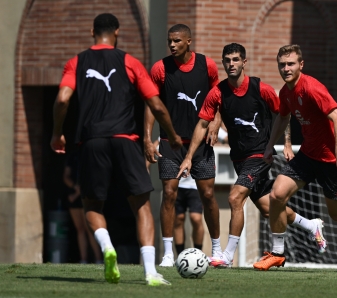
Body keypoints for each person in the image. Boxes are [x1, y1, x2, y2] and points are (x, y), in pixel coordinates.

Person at [50, 13, 181, 286]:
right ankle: (150, 273)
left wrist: (57, 133)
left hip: (92, 141)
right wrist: (172, 135)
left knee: (92, 204)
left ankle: (107, 247)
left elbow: (62, 99)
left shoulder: (76, 62)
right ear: (117, 32)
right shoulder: (129, 61)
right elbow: (156, 105)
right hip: (126, 139)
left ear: (92, 32)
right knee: (142, 205)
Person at [178, 43, 326, 268]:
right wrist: (189, 156)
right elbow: (201, 124)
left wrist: (286, 143)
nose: (231, 64)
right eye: (227, 60)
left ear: (244, 62)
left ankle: (227, 256)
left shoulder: (261, 89)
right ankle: (310, 225)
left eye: (236, 59)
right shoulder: (218, 92)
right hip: (238, 157)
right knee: (269, 208)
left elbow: (282, 114)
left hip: (260, 154)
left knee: (235, 197)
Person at [252, 45, 337, 271]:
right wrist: (269, 146)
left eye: (290, 64)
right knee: (276, 195)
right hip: (308, 156)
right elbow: (282, 118)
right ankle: (278, 253)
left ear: (301, 65)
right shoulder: (285, 93)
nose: (286, 68)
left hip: (333, 162)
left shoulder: (312, 88)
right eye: (282, 65)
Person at [145, 24, 223, 267]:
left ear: (189, 41)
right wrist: (148, 138)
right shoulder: (160, 68)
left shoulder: (207, 65)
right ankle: (168, 253)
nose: (172, 45)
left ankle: (218, 250)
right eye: (170, 40)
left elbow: (219, 96)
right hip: (171, 143)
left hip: (201, 144)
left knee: (208, 195)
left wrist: (216, 122)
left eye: (177, 40)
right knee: (168, 193)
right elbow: (151, 104)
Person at [63, 151, 103, 264]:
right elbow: (66, 177)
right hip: (75, 199)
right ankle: (83, 259)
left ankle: (99, 258)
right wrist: (75, 187)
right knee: (80, 229)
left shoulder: (90, 155)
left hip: (86, 196)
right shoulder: (72, 157)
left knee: (90, 228)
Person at [173, 175, 204, 255]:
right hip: (177, 184)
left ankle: (198, 253)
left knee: (196, 218)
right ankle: (180, 255)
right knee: (178, 219)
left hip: (195, 185)